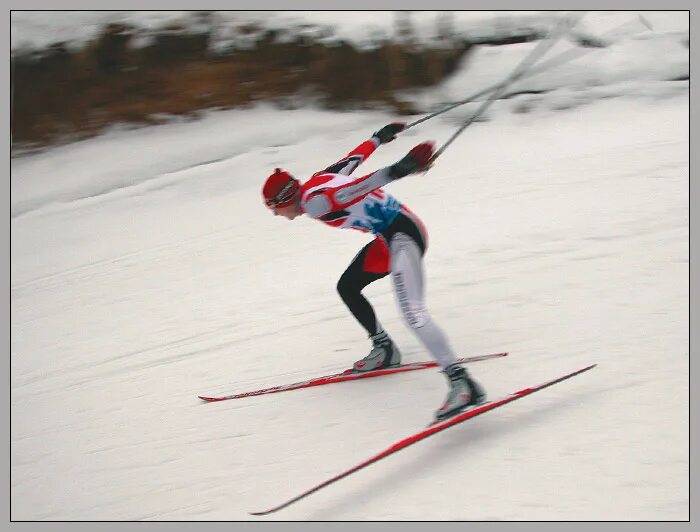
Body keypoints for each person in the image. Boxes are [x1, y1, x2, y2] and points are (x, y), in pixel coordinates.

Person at [261, 122, 486, 422]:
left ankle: (461, 383)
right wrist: (378, 138)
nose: (277, 215)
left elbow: (362, 185)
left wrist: (403, 167)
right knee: (348, 286)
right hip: (386, 239)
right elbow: (353, 159)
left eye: (274, 209)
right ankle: (384, 349)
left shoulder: (315, 203)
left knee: (413, 314)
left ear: (284, 200)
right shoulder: (318, 181)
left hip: (403, 237)